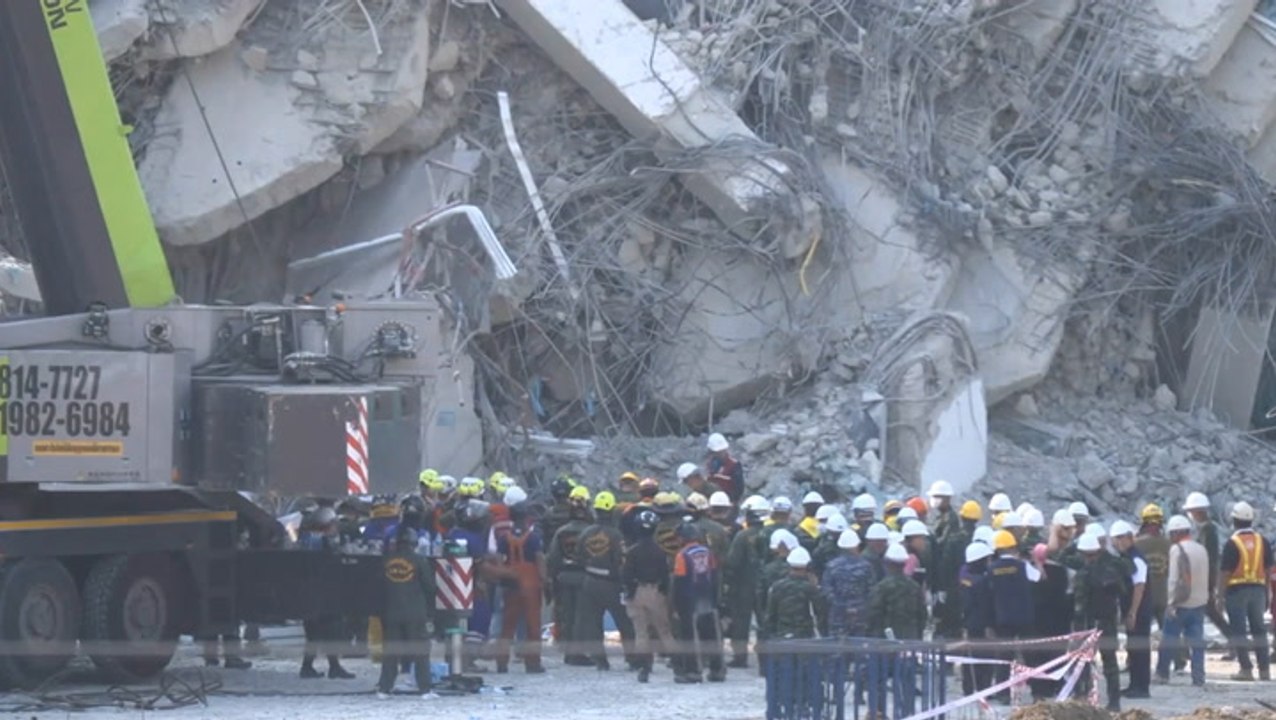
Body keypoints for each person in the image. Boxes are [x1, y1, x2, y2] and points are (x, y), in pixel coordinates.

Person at [573, 491, 635, 670]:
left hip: (589, 581)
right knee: (624, 622)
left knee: (592, 623)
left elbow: (579, 557)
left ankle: (600, 660)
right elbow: (622, 561)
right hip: (612, 583)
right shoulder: (616, 535)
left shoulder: (586, 533)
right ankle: (632, 658)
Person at [376, 525, 438, 700]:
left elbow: (378, 587)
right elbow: (430, 587)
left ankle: (384, 689)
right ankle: (425, 689)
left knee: (390, 653)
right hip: (415, 613)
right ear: (414, 542)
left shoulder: (385, 561)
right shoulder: (419, 561)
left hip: (391, 613)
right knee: (420, 652)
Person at [1074, 532, 1129, 711]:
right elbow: (1123, 592)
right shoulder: (1113, 570)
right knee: (1110, 663)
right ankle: (1114, 701)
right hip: (1109, 621)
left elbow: (1079, 604)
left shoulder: (1083, 574)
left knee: (1085, 662)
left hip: (1089, 623)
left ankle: (1084, 697)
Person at [1218, 500, 1272, 681]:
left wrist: (1219, 595)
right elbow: (1269, 569)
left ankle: (1246, 669)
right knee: (1259, 630)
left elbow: (1225, 572)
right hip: (1258, 590)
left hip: (1236, 591)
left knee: (1239, 631)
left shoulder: (1232, 543)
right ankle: (1264, 670)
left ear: (1234, 520)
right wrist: (1268, 593)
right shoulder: (1262, 541)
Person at [299, 507, 355, 679]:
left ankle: (311, 666)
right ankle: (332, 667)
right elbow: (332, 560)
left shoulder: (306, 538)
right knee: (329, 629)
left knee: (313, 633)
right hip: (323, 591)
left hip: (307, 591)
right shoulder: (323, 541)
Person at [492, 499, 546, 674]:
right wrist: (545, 581)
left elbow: (499, 561)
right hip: (530, 585)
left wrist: (503, 578)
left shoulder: (503, 538)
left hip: (511, 582)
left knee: (507, 626)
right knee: (533, 626)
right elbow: (540, 560)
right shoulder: (533, 538)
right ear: (526, 517)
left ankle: (501, 663)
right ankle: (533, 663)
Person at [1156, 514, 1208, 687]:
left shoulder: (1177, 550)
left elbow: (1173, 579)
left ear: (1177, 533)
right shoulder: (1201, 549)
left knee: (1169, 639)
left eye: (1171, 534)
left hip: (1180, 604)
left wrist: (1170, 602)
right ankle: (1198, 677)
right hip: (1199, 603)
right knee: (1197, 643)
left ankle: (1162, 674)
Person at [623, 509, 674, 683]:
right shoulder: (659, 552)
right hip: (656, 592)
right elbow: (665, 574)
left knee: (641, 632)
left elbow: (627, 575)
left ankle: (644, 667)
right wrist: (664, 592)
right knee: (664, 631)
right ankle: (679, 663)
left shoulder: (632, 552)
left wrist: (629, 593)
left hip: (638, 591)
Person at [672, 521, 726, 683]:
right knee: (713, 636)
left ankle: (693, 671)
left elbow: (679, 582)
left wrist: (676, 606)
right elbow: (715, 576)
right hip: (708, 598)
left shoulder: (682, 555)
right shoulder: (708, 553)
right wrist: (717, 599)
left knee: (690, 637)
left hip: (689, 601)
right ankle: (718, 670)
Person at [546, 485, 593, 665]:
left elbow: (553, 557)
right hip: (584, 578)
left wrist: (552, 578)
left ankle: (568, 650)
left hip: (564, 577)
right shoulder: (592, 531)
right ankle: (578, 653)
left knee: (566, 614)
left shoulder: (561, 531)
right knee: (582, 616)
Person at [989, 530, 1034, 701]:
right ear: (1013, 547)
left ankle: (1003, 694)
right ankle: (1038, 690)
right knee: (1030, 655)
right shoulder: (1023, 566)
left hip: (1003, 619)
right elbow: (1039, 578)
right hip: (1025, 617)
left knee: (1003, 658)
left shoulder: (992, 569)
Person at [1184, 492, 1232, 654]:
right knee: (1211, 614)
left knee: (1201, 613)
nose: (1190, 515)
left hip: (1203, 581)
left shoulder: (1208, 531)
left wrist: (1209, 586)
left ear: (1198, 511)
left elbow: (1209, 559)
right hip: (1202, 580)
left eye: (1191, 511)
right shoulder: (1204, 530)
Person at [1110, 520, 1151, 698]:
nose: (1117, 542)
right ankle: (1134, 684)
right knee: (1133, 648)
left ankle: (1141, 687)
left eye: (1120, 538)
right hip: (1132, 609)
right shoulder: (1126, 558)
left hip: (1139, 611)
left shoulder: (1136, 559)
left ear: (1129, 537)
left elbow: (1139, 586)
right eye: (1115, 539)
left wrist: (1133, 611)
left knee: (1140, 648)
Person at [724, 496, 767, 668]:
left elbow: (732, 561)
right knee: (765, 621)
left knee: (741, 621)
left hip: (743, 586)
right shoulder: (770, 534)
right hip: (765, 586)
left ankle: (740, 657)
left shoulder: (742, 536)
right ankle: (766, 657)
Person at [936, 500, 980, 639]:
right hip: (976, 589)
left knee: (953, 628)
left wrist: (942, 588)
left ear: (962, 517)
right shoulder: (979, 540)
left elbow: (945, 565)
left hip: (954, 589)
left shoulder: (954, 539)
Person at [765, 546, 827, 640]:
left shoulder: (777, 586)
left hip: (782, 633)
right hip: (805, 635)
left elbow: (770, 615)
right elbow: (820, 613)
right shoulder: (810, 588)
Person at [821, 528, 873, 637]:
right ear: (857, 545)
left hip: (838, 615)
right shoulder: (866, 566)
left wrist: (840, 606)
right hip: (861, 614)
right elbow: (871, 591)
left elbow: (826, 590)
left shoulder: (831, 566)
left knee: (837, 648)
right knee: (860, 647)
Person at [959, 542, 995, 696]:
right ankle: (983, 689)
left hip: (968, 622)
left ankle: (968, 688)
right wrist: (989, 626)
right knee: (985, 659)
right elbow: (986, 606)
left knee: (968, 657)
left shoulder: (965, 577)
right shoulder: (982, 581)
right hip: (981, 625)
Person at [1135, 504, 1170, 631]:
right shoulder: (1168, 544)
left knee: (1142, 634)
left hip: (1143, 597)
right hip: (1163, 595)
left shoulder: (1136, 544)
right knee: (1168, 634)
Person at [704, 433, 744, 503]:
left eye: (721, 451)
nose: (719, 454)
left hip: (729, 501)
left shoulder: (734, 465)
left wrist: (730, 501)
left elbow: (739, 489)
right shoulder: (710, 464)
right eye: (717, 452)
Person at [619, 477, 660, 544]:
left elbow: (623, 531)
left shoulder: (629, 510)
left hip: (633, 549)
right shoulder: (664, 510)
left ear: (640, 494)